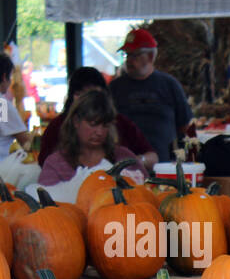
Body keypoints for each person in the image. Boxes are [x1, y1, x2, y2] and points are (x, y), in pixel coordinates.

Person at [37, 66, 156, 172]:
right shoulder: (56, 127)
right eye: (81, 94)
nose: (99, 131)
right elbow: (44, 166)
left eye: (104, 125)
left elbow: (152, 156)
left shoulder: (121, 123)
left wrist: (134, 163)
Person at [108, 28, 194, 164]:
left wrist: (183, 156)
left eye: (134, 55)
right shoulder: (115, 88)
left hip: (164, 165)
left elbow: (185, 126)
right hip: (124, 165)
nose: (129, 60)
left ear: (150, 57)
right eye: (127, 55)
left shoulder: (169, 85)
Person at [37, 89, 145, 187]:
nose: (99, 132)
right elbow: (44, 203)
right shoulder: (56, 164)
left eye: (105, 125)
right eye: (93, 124)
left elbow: (146, 192)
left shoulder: (124, 158)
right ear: (76, 121)